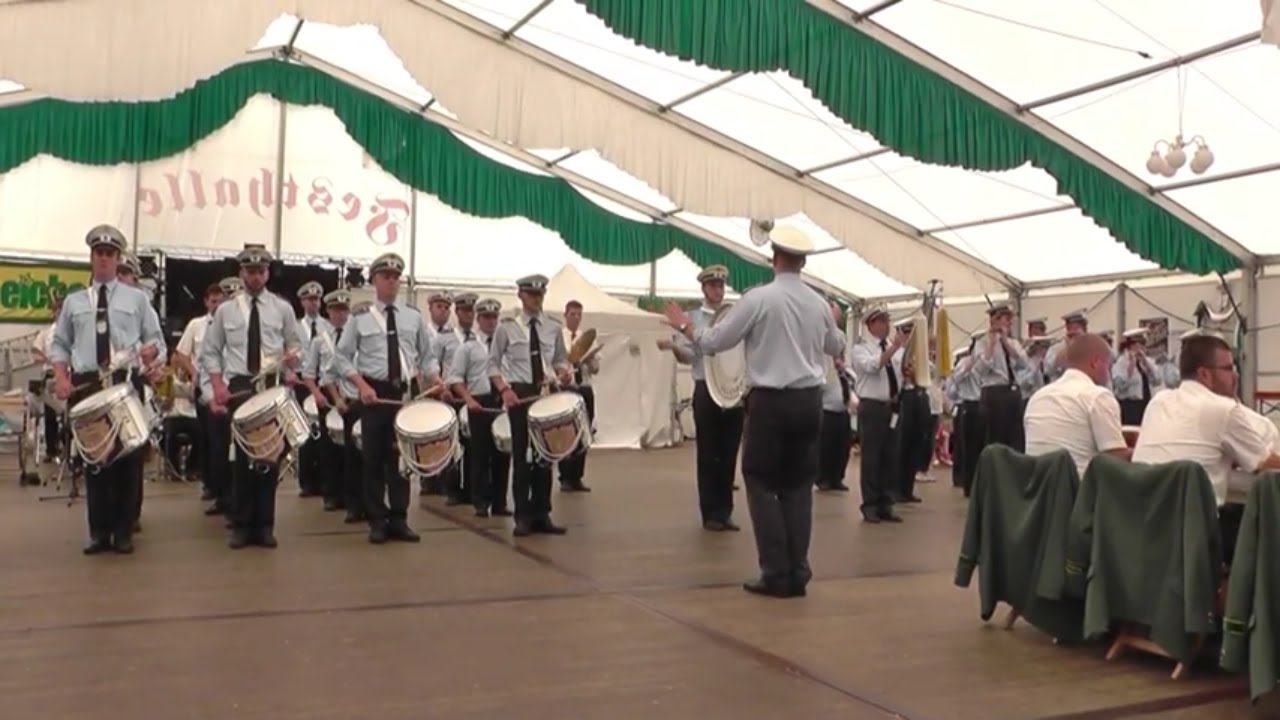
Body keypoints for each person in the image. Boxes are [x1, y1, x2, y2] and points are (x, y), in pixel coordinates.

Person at [663, 225, 843, 599]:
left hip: (772, 402)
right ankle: (799, 569)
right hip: (810, 401)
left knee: (760, 481)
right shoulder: (818, 303)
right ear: (803, 262)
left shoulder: (759, 299)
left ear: (774, 258)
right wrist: (834, 322)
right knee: (798, 487)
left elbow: (716, 341)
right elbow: (835, 344)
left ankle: (776, 572)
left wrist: (685, 326)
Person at [50, 224, 164, 555]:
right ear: (91, 258)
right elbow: (60, 345)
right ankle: (99, 531)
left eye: (109, 254)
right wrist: (60, 377)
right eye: (98, 253)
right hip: (87, 384)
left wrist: (152, 352)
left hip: (125, 383)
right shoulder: (74, 302)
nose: (103, 259)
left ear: (117, 259)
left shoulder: (138, 299)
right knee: (96, 460)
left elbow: (155, 338)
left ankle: (124, 531)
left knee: (128, 459)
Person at [1133, 333, 1280, 564]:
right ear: (1204, 374)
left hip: (1142, 525)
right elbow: (1265, 463)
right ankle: (1240, 596)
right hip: (1192, 532)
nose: (1235, 376)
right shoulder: (1223, 409)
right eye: (1228, 368)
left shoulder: (1158, 402)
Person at [333, 253, 440, 544]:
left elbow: (427, 356)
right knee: (373, 460)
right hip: (373, 395)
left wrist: (435, 377)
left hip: (403, 395)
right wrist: (360, 385)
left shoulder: (413, 317)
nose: (392, 282)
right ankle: (377, 521)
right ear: (374, 281)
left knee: (402, 461)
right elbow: (340, 359)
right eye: (385, 277)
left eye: (396, 277)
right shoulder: (360, 319)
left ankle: (399, 519)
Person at [201, 244, 303, 549]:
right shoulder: (226, 310)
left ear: (267, 273)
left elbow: (296, 345)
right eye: (249, 271)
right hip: (240, 388)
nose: (255, 277)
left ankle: (265, 525)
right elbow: (211, 351)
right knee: (242, 459)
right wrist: (217, 385)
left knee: (269, 459)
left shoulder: (282, 309)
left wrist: (292, 361)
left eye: (260, 271)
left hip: (270, 387)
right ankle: (242, 525)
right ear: (241, 273)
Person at [657, 264, 744, 531]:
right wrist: (674, 347)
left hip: (732, 391)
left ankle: (725, 510)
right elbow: (688, 356)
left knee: (729, 453)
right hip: (706, 388)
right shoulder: (691, 318)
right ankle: (710, 513)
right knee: (708, 453)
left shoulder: (734, 316)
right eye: (712, 285)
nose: (718, 290)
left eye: (720, 285)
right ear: (704, 288)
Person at [488, 274, 572, 537]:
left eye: (540, 295)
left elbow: (560, 359)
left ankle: (542, 512)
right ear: (521, 296)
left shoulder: (553, 327)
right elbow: (492, 364)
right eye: (531, 295)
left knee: (545, 456)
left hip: (544, 392)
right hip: (519, 393)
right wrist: (504, 390)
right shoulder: (507, 327)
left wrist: (564, 371)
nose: (536, 299)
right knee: (522, 457)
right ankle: (522, 515)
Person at [1024, 334, 1129, 477]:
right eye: (1109, 365)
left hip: (1038, 493)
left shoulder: (1037, 398)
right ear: (1096, 362)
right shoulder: (1097, 396)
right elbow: (1116, 458)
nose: (1109, 373)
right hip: (1079, 493)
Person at [850, 306, 904, 523]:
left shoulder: (892, 347)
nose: (886, 325)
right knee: (872, 457)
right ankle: (870, 504)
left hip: (891, 406)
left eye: (887, 320)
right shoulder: (861, 349)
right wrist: (893, 349)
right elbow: (873, 367)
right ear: (870, 324)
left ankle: (886, 502)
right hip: (871, 406)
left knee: (890, 456)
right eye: (881, 321)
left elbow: (896, 373)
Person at [448, 296, 501, 517]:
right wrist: (468, 399)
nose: (490, 321)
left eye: (494, 317)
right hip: (478, 400)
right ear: (478, 319)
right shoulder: (468, 347)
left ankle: (499, 502)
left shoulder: (504, 346)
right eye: (486, 317)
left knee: (502, 454)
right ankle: (480, 501)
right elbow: (455, 378)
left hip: (499, 401)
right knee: (480, 454)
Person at [175, 283, 225, 509]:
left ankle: (223, 487)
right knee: (206, 438)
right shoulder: (196, 325)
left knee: (221, 440)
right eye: (214, 301)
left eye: (221, 301)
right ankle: (209, 484)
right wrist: (194, 372)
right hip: (203, 387)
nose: (217, 305)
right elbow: (181, 354)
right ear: (206, 302)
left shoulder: (231, 323)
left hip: (225, 387)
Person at [302, 290, 351, 513]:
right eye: (336, 310)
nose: (340, 315)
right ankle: (331, 494)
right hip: (327, 395)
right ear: (328, 311)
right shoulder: (319, 341)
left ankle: (350, 494)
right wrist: (316, 393)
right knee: (328, 448)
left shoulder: (355, 338)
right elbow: (309, 373)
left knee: (351, 448)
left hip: (349, 392)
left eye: (344, 310)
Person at [972, 303, 1028, 452]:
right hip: (994, 393)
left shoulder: (1013, 343)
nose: (1009, 323)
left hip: (1013, 392)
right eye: (1006, 319)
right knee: (996, 438)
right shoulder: (982, 342)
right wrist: (991, 345)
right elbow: (980, 370)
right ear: (994, 321)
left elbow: (1024, 363)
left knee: (1016, 438)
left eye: (1010, 319)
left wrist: (1005, 342)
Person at [558, 299, 599, 493]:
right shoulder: (560, 336)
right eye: (572, 314)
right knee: (566, 433)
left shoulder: (587, 338)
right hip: (567, 388)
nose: (575, 318)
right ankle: (565, 476)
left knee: (584, 431)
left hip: (584, 387)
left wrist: (589, 360)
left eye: (578, 315)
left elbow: (597, 369)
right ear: (565, 315)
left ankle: (577, 477)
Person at [294, 281, 330, 498]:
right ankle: (307, 482)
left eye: (316, 299)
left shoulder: (327, 327)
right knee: (306, 433)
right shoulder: (295, 328)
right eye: (309, 299)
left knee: (325, 433)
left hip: (323, 380)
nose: (313, 303)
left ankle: (326, 480)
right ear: (302, 302)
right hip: (301, 382)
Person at [425, 290, 461, 498]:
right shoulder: (423, 332)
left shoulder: (453, 335)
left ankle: (446, 479)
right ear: (430, 308)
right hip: (429, 391)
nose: (444, 311)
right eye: (439, 307)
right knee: (429, 436)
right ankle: (429, 478)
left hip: (448, 392)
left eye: (447, 308)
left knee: (447, 437)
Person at [816, 303, 851, 492]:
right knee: (826, 444)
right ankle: (823, 477)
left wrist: (841, 363)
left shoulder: (840, 335)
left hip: (840, 394)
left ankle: (837, 477)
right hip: (826, 400)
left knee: (842, 444)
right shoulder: (819, 331)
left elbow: (841, 351)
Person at [1113, 328, 1159, 426]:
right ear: (1131, 346)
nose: (1141, 349)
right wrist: (1130, 368)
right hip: (1130, 405)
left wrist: (1146, 363)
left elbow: (1157, 380)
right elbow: (1119, 386)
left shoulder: (1146, 361)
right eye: (1139, 345)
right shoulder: (1121, 362)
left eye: (1143, 345)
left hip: (1146, 404)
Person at [1044, 309, 1088, 382]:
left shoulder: (1091, 346)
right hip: (1062, 389)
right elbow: (1048, 370)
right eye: (1071, 327)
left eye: (1079, 327)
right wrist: (1065, 351)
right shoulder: (1057, 348)